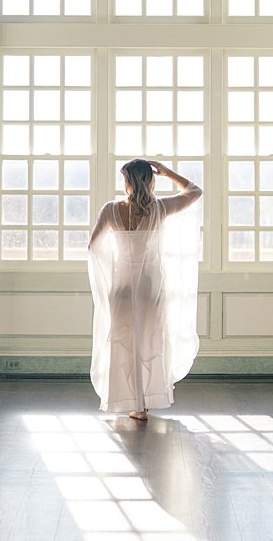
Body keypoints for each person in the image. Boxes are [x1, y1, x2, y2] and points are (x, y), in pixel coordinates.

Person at [87, 159, 202, 420]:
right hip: (150, 288)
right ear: (150, 181)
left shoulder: (111, 210)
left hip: (123, 287)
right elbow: (195, 191)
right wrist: (167, 171)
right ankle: (143, 403)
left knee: (125, 343)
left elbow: (93, 247)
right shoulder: (160, 208)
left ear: (127, 182)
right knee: (149, 341)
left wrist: (113, 269)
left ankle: (134, 403)